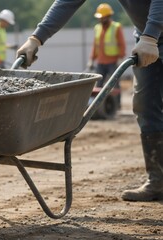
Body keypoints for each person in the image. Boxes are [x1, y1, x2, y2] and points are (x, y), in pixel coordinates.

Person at [16, 0, 163, 202]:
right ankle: (158, 180)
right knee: (145, 105)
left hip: (150, 36)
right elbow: (67, 2)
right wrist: (36, 38)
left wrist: (151, 35)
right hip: (146, 37)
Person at [88, 3, 126, 108]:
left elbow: (121, 44)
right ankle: (97, 106)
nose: (100, 19)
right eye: (100, 17)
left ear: (108, 16)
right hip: (100, 61)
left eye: (102, 17)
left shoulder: (116, 27)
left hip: (113, 61)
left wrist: (120, 58)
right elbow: (95, 45)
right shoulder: (97, 28)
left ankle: (117, 106)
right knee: (98, 85)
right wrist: (91, 59)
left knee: (115, 84)